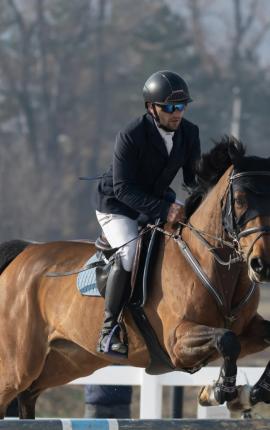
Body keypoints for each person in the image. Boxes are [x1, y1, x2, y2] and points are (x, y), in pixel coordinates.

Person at [90, 70, 201, 358]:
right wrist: (167, 209)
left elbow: (193, 180)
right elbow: (124, 189)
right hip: (117, 204)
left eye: (182, 106)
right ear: (151, 107)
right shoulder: (130, 135)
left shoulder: (190, 133)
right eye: (170, 108)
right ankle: (108, 330)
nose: (177, 113)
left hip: (155, 199)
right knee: (128, 254)